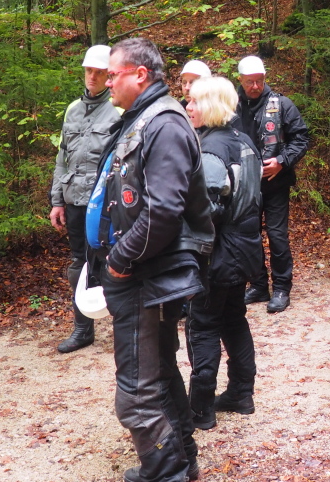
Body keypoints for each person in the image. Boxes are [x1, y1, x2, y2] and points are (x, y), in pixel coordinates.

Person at [96, 38, 215, 482]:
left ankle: (166, 472)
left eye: (113, 74)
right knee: (159, 375)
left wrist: (119, 261)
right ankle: (182, 461)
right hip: (145, 271)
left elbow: (163, 211)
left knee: (137, 391)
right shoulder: (144, 118)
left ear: (140, 75)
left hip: (147, 273)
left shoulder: (163, 124)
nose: (107, 81)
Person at [183, 76, 262, 430]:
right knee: (233, 318)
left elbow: (209, 210)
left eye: (195, 102)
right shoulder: (243, 140)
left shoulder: (212, 148)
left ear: (212, 106)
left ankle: (201, 410)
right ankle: (241, 394)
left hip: (218, 254)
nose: (188, 106)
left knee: (203, 325)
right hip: (244, 248)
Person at [48, 44, 120, 353]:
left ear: (109, 75)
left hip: (107, 203)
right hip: (74, 198)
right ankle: (83, 329)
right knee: (79, 263)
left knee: (116, 261)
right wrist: (57, 200)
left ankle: (126, 327)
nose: (92, 77)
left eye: (98, 72)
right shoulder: (72, 110)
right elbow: (62, 157)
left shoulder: (119, 110)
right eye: (88, 71)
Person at [235, 55, 309, 314]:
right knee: (249, 235)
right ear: (240, 80)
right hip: (244, 185)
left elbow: (301, 138)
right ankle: (258, 284)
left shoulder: (282, 104)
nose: (255, 86)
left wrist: (281, 161)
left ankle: (281, 288)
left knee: (277, 236)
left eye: (259, 81)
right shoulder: (230, 106)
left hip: (275, 182)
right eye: (250, 82)